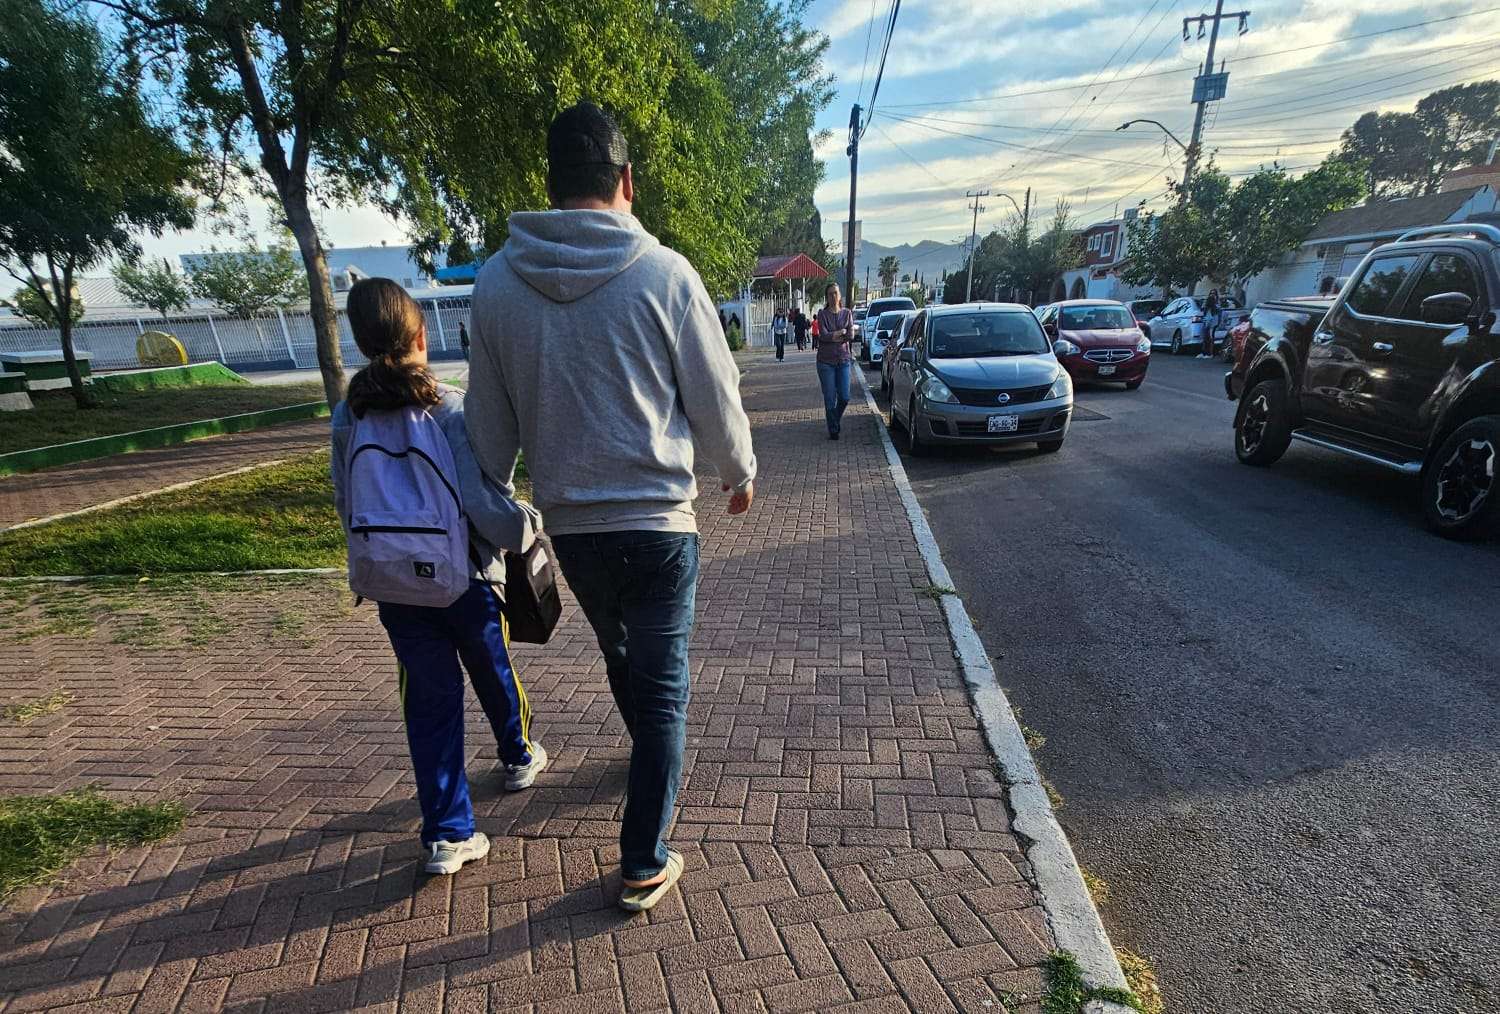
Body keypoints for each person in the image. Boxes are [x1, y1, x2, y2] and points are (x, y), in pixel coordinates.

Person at [465, 101, 756, 913]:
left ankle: (646, 767)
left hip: (574, 532)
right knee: (663, 694)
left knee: (622, 656)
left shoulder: (496, 285)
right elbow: (714, 393)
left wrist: (493, 508)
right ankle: (643, 858)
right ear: (627, 180)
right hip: (660, 525)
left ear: (551, 185)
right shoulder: (667, 274)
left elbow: (487, 429)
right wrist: (738, 471)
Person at [330, 277, 547, 876]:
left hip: (394, 584)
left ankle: (448, 835)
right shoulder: (449, 406)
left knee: (428, 702)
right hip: (465, 575)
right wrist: (526, 527)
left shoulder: (349, 415)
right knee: (492, 667)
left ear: (360, 340)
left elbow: (347, 500)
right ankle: (518, 755)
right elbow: (481, 500)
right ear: (421, 336)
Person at [814, 282, 854, 439]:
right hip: (825, 362)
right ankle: (833, 429)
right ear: (827, 297)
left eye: (835, 293)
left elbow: (850, 335)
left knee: (844, 397)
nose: (833, 296)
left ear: (840, 295)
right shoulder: (822, 314)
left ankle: (834, 420)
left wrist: (834, 336)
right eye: (830, 294)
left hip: (843, 360)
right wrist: (839, 333)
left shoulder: (847, 313)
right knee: (830, 397)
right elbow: (823, 335)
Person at [1199, 289, 1220, 360]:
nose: (1212, 295)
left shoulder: (1216, 306)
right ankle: (1204, 352)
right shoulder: (1207, 305)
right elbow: (1203, 310)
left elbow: (1216, 315)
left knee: (1210, 338)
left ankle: (1210, 353)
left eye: (1214, 293)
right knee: (1205, 337)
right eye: (1211, 293)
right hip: (1207, 321)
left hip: (1212, 323)